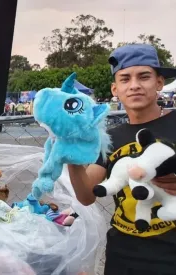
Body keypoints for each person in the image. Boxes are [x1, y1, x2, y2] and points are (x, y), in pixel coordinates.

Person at [68, 44, 176, 275]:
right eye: (125, 79)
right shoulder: (110, 138)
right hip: (123, 255)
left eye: (144, 77)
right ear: (115, 89)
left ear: (159, 83)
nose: (134, 85)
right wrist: (71, 157)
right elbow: (87, 195)